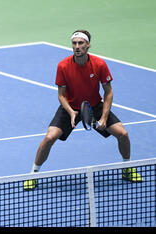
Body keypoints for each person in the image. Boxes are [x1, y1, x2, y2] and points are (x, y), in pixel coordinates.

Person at [24, 30, 141, 190]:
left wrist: (104, 117)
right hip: (70, 107)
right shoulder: (63, 66)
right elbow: (61, 95)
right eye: (74, 43)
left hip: (94, 106)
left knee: (123, 134)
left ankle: (127, 168)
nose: (77, 47)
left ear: (88, 45)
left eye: (80, 43)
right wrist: (71, 112)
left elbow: (108, 92)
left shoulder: (99, 64)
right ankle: (33, 174)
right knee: (50, 137)